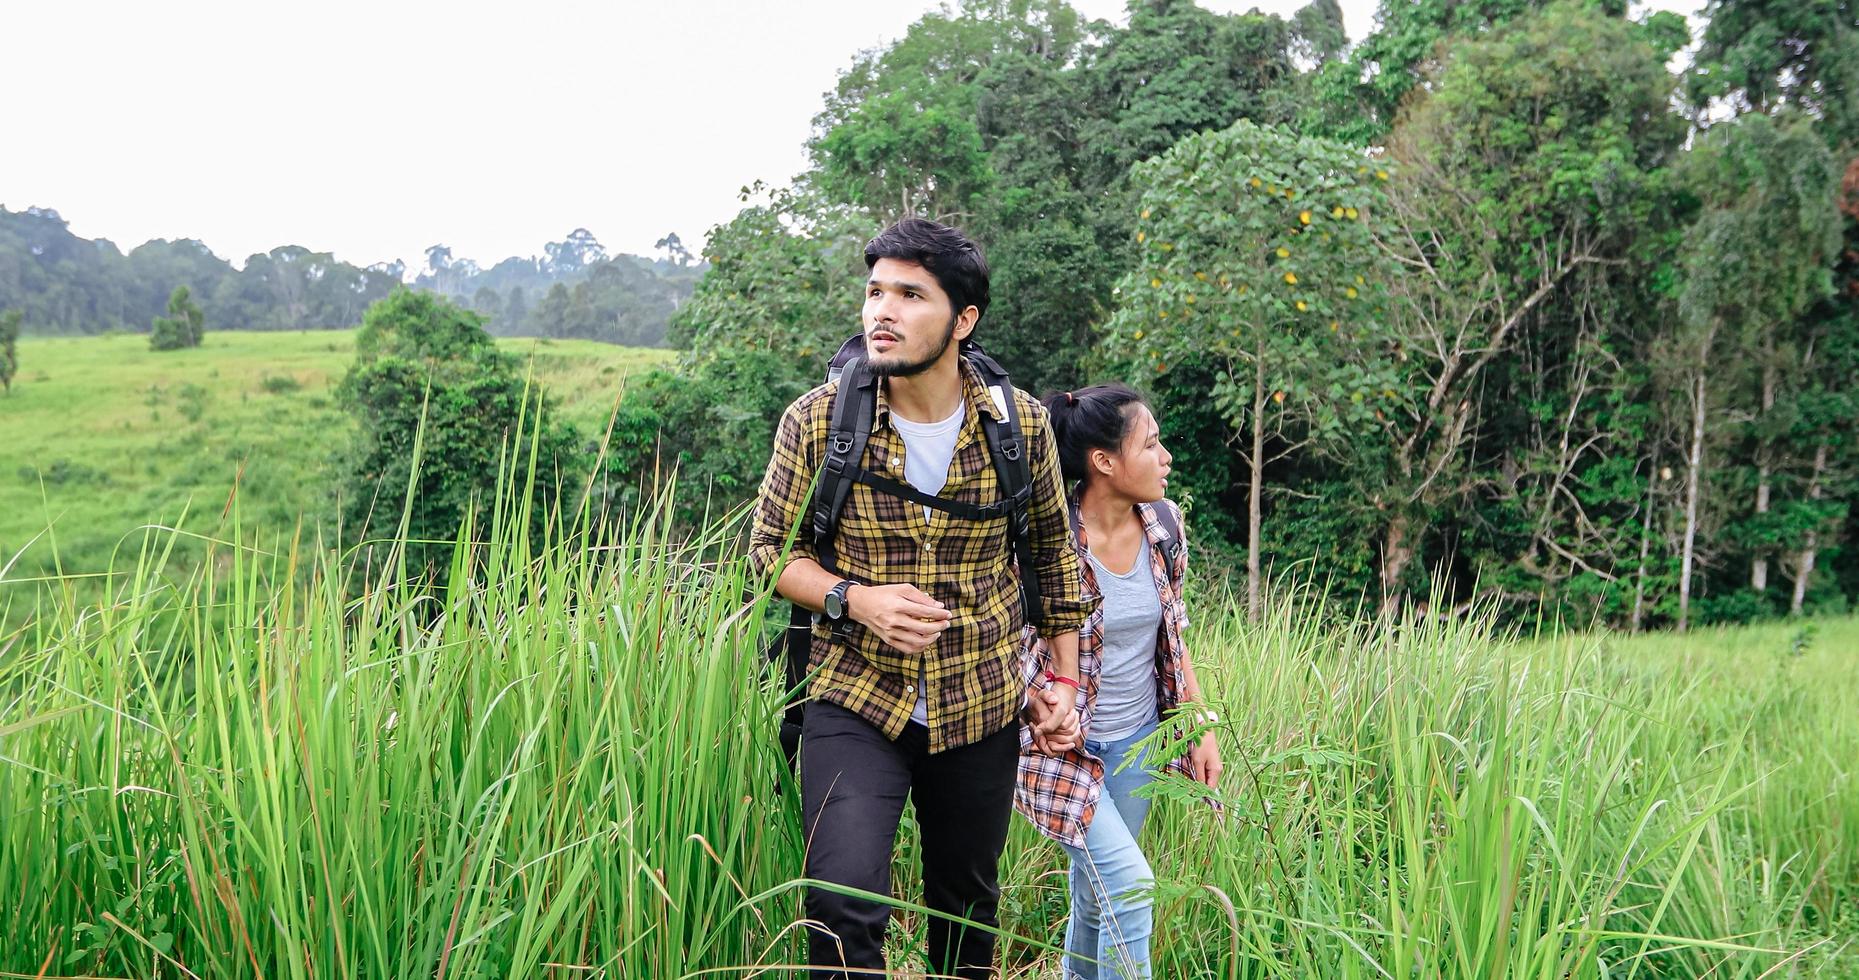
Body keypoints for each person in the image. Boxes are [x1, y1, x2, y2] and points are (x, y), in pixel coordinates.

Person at [746, 217, 1092, 978]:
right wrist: (852, 598)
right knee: (840, 900)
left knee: (964, 911)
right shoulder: (818, 421)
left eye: (910, 294)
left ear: (963, 320)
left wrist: (1063, 682)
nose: (882, 311)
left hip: (981, 700)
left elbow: (1052, 560)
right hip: (851, 695)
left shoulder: (1020, 427)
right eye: (874, 291)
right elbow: (769, 552)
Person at [1016, 383, 1223, 980]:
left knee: (1096, 890)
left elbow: (1174, 636)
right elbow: (1002, 643)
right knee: (1131, 887)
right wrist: (1038, 705)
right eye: (1151, 445)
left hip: (1137, 743)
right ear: (1104, 463)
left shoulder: (1164, 526)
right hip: (1057, 750)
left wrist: (1196, 723)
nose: (1167, 459)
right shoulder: (1044, 541)